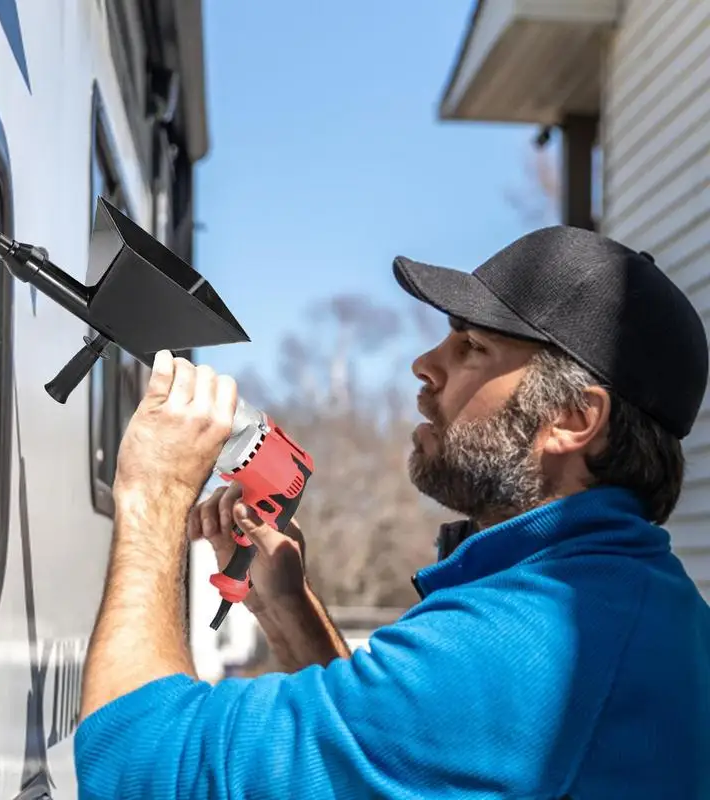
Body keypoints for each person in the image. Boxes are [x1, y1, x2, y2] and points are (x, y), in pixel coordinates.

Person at [74, 225, 710, 799]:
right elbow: (386, 766)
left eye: (472, 347)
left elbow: (133, 763)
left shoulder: (532, 643)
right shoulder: (631, 602)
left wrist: (154, 492)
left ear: (573, 420)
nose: (424, 365)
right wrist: (287, 609)